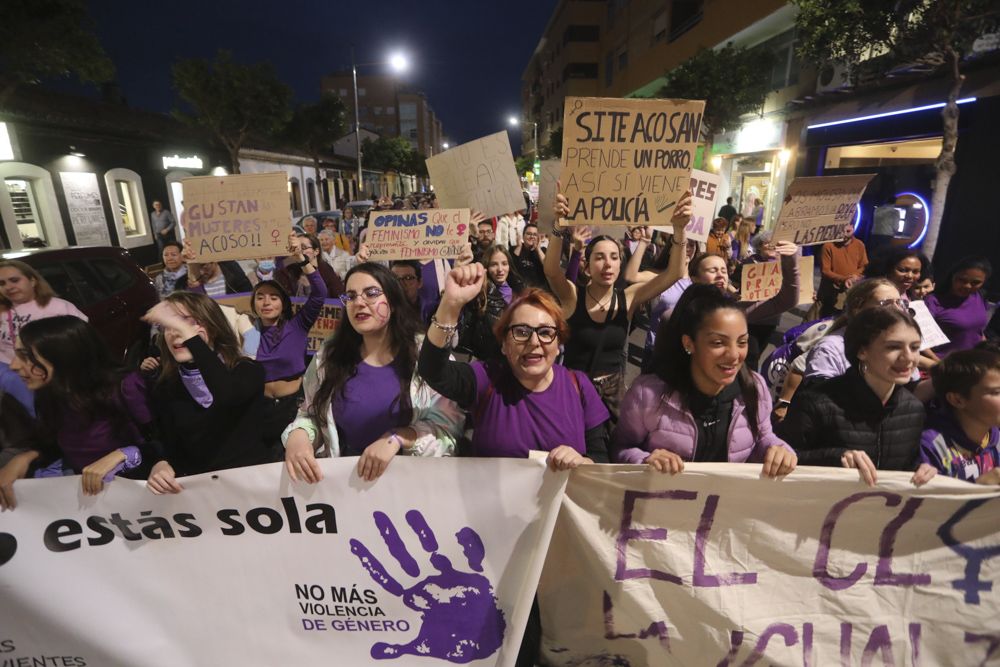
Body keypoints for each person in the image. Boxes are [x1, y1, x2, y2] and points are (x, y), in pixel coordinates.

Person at [282, 263, 463, 484]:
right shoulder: (328, 357)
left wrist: (399, 437)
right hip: (346, 489)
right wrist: (299, 436)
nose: (359, 302)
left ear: (394, 302)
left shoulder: (426, 356)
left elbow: (448, 432)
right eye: (350, 296)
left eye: (371, 293)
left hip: (411, 491)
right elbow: (310, 414)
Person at [420, 264, 610, 464]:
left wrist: (583, 463)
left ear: (558, 343)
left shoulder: (579, 386)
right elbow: (432, 370)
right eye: (521, 332)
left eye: (545, 332)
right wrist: (450, 305)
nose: (534, 342)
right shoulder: (488, 380)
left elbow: (600, 458)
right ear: (504, 344)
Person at [614, 284, 797, 476]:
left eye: (742, 342)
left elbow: (764, 437)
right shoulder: (647, 394)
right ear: (689, 343)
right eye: (718, 343)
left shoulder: (755, 387)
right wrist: (644, 460)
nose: (734, 355)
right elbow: (620, 448)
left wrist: (777, 450)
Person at [546, 192, 693, 419]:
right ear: (587, 267)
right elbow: (552, 271)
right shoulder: (572, 296)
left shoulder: (629, 297)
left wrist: (680, 229)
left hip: (611, 401)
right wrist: (558, 224)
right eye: (600, 257)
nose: (608, 264)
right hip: (572, 395)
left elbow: (674, 273)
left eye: (614, 257)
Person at [0, 317, 152, 509]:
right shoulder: (51, 392)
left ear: (63, 356)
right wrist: (27, 457)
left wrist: (123, 455)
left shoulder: (126, 387)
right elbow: (56, 442)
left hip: (144, 498)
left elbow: (164, 446)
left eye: (26, 356)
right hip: (94, 502)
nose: (13, 365)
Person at [778, 307, 936, 486]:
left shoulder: (913, 409)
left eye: (915, 347)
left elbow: (905, 466)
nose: (908, 357)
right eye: (893, 347)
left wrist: (922, 470)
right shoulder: (816, 402)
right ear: (862, 351)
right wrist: (837, 458)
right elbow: (780, 457)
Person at [142, 293, 271, 494]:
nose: (175, 332)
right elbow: (169, 443)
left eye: (188, 322)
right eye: (168, 325)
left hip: (253, 490)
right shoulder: (166, 386)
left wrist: (191, 337)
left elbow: (227, 395)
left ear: (214, 326)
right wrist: (162, 464)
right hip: (204, 498)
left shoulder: (247, 369)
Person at [249, 235, 328, 454]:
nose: (266, 302)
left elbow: (320, 293)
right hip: (260, 411)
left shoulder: (297, 326)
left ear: (283, 303)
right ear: (253, 303)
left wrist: (302, 259)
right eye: (261, 297)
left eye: (274, 297)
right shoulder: (246, 331)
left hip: (295, 409)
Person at [921, 349, 1000, 484]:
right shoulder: (931, 446)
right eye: (996, 392)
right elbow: (927, 503)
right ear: (957, 400)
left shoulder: (996, 437)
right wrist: (978, 487)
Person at [802, 278, 904, 382]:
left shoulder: (898, 346)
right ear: (857, 308)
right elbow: (817, 395)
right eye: (886, 303)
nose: (897, 309)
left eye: (899, 303)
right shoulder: (830, 349)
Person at [0, 260, 88, 365]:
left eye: (14, 280)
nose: (8, 287)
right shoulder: (3, 312)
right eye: (1, 283)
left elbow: (81, 342)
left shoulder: (58, 307)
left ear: (32, 281)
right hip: (9, 373)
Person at [459, 245, 525, 361]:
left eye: (504, 263)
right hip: (487, 359)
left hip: (515, 358)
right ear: (487, 267)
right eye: (494, 264)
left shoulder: (520, 291)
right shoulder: (479, 294)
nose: (500, 269)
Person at [925, 257, 992, 357]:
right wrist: (937, 364)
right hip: (944, 363)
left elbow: (977, 332)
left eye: (975, 282)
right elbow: (921, 341)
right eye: (962, 280)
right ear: (953, 276)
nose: (967, 286)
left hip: (973, 362)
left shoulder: (979, 297)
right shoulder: (933, 301)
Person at [818, 222, 868, 317]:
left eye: (848, 231)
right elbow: (825, 270)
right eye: (841, 231)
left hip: (849, 290)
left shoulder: (859, 245)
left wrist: (854, 276)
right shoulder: (828, 246)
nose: (844, 234)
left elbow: (864, 266)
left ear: (853, 228)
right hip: (829, 291)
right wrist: (844, 279)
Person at [277, 233, 344, 299]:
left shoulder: (325, 269)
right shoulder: (289, 269)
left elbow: (342, 296)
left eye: (303, 247)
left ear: (316, 251)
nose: (299, 251)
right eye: (296, 248)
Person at [863, 246, 929, 306]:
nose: (909, 276)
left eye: (915, 272)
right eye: (902, 270)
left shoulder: (913, 296)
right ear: (888, 269)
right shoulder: (876, 294)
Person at [176, 260, 253, 295]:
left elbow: (248, 293)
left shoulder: (231, 269)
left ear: (214, 261)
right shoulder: (183, 283)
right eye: (196, 268)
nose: (201, 272)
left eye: (204, 266)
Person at [511, 223, 547, 290]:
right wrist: (519, 247)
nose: (532, 237)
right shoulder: (514, 249)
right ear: (523, 236)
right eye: (529, 234)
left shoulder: (543, 250)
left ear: (538, 237)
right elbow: (511, 267)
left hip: (539, 290)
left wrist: (538, 249)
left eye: (535, 234)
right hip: (521, 290)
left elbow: (548, 267)